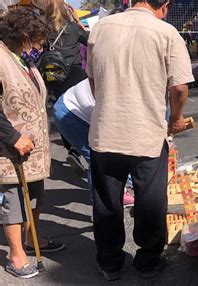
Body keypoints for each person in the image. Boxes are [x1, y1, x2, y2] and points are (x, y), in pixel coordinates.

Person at [87, 0, 193, 280]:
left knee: (107, 201)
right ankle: (148, 260)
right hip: (146, 131)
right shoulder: (166, 32)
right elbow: (180, 88)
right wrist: (175, 117)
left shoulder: (100, 28)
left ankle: (110, 263)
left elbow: (93, 81)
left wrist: (108, 104)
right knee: (150, 199)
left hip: (105, 130)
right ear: (165, 5)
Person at [0, 7, 65, 279]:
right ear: (24, 36)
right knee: (14, 199)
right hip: (9, 147)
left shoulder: (22, 59)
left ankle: (33, 239)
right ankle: (16, 254)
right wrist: (14, 137)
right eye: (37, 40)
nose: (40, 47)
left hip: (33, 148)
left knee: (36, 194)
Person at [52, 7, 134, 208]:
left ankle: (116, 192)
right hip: (69, 111)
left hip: (78, 101)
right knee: (96, 156)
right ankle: (100, 205)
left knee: (111, 151)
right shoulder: (119, 81)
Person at [45, 0, 89, 171]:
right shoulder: (72, 27)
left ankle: (72, 149)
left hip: (54, 73)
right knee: (79, 107)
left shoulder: (43, 28)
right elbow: (90, 40)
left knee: (61, 109)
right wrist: (78, 23)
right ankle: (84, 144)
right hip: (74, 72)